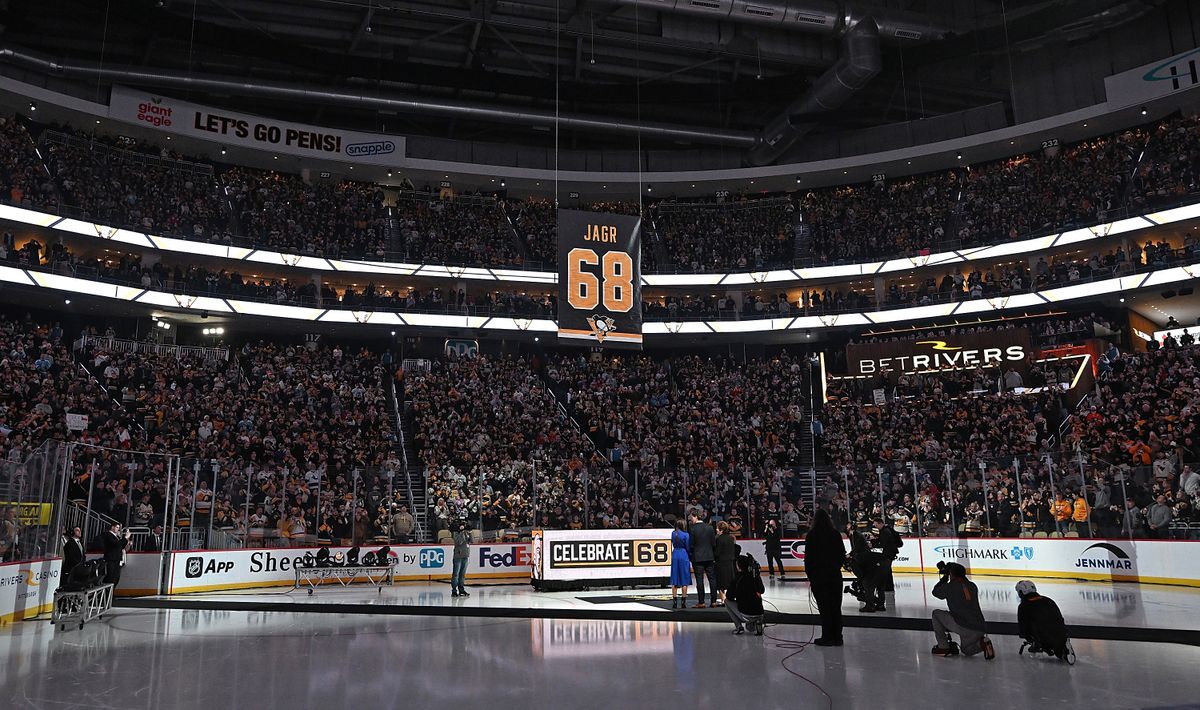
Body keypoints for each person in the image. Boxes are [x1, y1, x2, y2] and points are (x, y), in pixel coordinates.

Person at [931, 562, 994, 659]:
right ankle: (982, 643)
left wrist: (944, 578)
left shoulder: (950, 587)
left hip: (964, 625)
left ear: (951, 574)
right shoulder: (972, 586)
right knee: (967, 651)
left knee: (936, 614)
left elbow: (935, 592)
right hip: (980, 626)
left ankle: (943, 647)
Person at [805, 508, 846, 647]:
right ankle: (838, 637)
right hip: (834, 575)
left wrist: (810, 575)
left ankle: (827, 637)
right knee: (835, 607)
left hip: (819, 576)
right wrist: (835, 567)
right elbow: (842, 554)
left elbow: (808, 558)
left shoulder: (812, 535)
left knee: (824, 608)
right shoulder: (835, 534)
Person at [1015, 580, 1070, 659]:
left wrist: (1026, 637)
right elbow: (1059, 618)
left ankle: (1039, 643)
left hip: (1042, 636)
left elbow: (1023, 627)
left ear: (1021, 592)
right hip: (1061, 632)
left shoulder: (1024, 606)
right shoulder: (1048, 600)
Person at [726, 554, 765, 636]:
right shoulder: (755, 577)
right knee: (750, 628)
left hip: (746, 613)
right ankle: (757, 622)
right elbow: (762, 590)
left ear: (739, 566)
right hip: (759, 613)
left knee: (727, 601)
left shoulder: (738, 579)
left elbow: (729, 596)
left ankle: (739, 627)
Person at [848, 524, 882, 612]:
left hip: (867, 563)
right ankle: (875, 603)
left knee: (868, 584)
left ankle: (870, 605)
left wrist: (850, 555)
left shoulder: (856, 536)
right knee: (868, 584)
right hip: (867, 563)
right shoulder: (855, 536)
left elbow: (857, 548)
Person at [688, 511, 717, 608]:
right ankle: (713, 601)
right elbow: (713, 543)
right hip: (709, 556)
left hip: (697, 558)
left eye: (691, 517)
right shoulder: (710, 527)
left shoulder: (692, 529)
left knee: (699, 580)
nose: (690, 519)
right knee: (712, 579)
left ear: (695, 517)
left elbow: (691, 545)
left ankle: (701, 602)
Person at [873, 517, 901, 597]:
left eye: (876, 525)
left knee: (887, 569)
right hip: (889, 552)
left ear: (880, 523)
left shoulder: (885, 531)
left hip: (889, 553)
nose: (876, 527)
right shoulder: (884, 530)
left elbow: (883, 543)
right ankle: (888, 586)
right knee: (887, 569)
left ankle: (888, 586)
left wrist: (874, 544)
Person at [714, 520, 738, 606]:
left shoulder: (719, 539)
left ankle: (723, 600)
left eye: (717, 528)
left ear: (721, 529)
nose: (716, 529)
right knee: (729, 581)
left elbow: (717, 552)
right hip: (730, 562)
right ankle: (730, 598)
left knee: (720, 583)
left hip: (721, 563)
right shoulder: (731, 538)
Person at [670, 519, 692, 609]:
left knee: (675, 579)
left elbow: (673, 543)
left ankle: (674, 602)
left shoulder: (673, 533)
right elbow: (687, 547)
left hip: (675, 554)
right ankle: (683, 602)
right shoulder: (686, 535)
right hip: (683, 555)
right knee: (684, 579)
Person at [450, 521, 470, 597]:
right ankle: (454, 590)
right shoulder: (455, 533)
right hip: (458, 556)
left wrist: (469, 532)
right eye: (462, 525)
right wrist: (462, 532)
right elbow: (459, 542)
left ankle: (461, 589)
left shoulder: (466, 532)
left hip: (465, 555)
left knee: (462, 574)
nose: (463, 527)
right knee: (456, 574)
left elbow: (471, 540)